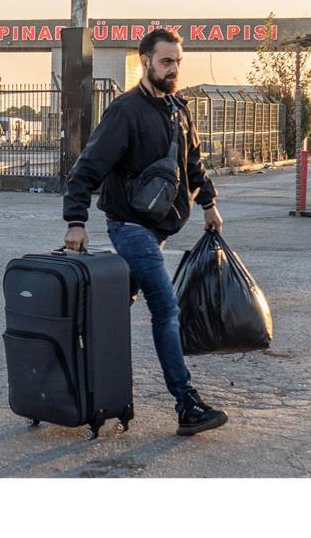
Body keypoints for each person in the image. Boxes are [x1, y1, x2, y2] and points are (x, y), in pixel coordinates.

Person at [62, 28, 228, 437]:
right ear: (145, 61)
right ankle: (186, 403)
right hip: (130, 227)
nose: (172, 69)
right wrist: (76, 221)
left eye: (177, 61)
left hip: (159, 230)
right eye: (165, 61)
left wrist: (209, 203)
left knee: (113, 306)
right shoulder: (125, 111)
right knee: (166, 308)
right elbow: (89, 166)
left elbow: (194, 164)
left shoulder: (178, 110)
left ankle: (80, 377)